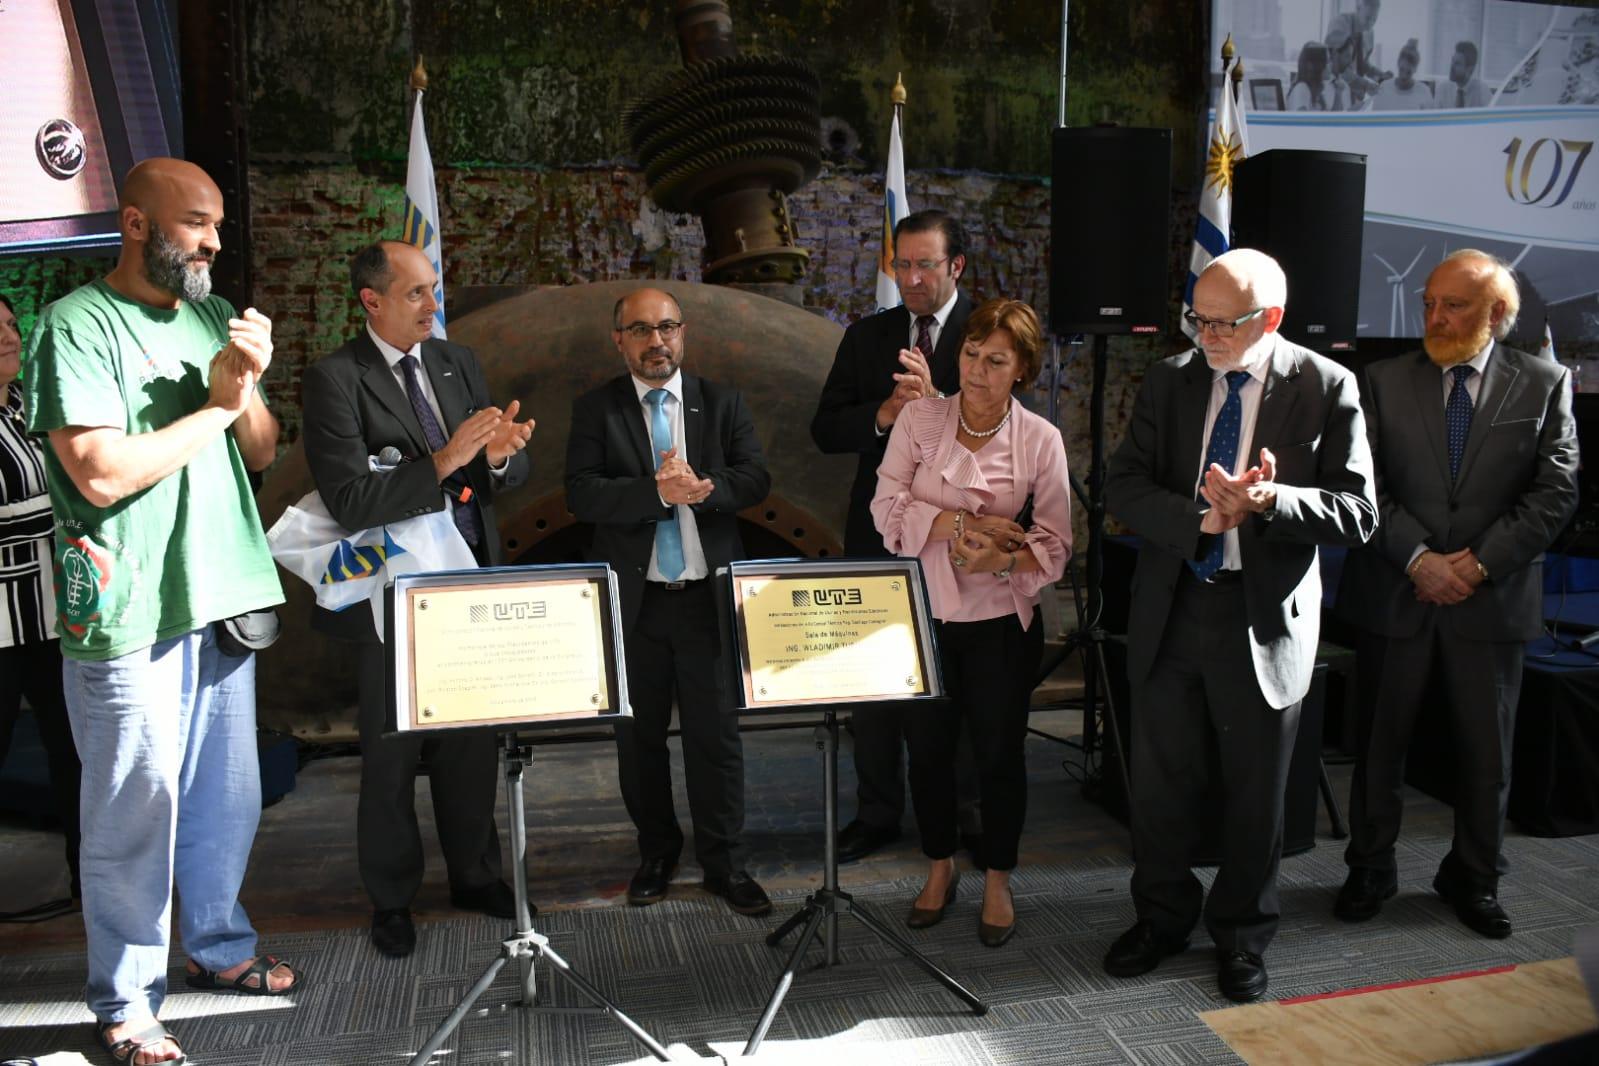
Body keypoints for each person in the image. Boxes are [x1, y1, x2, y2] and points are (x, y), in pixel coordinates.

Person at [24, 157, 295, 1066]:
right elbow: (98, 472)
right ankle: (129, 1004)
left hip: (223, 593)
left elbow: (259, 450)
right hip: (133, 608)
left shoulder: (214, 316)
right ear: (138, 224)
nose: (215, 241)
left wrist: (245, 382)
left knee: (226, 801)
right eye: (195, 223)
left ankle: (217, 950)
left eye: (216, 223)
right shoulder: (75, 326)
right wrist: (217, 406)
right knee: (134, 810)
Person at [1102, 248, 1378, 1003]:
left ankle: (1242, 936)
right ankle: (1160, 918)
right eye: (1198, 318)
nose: (1209, 336)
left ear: (1272, 320)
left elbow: (1357, 514)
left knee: (1255, 796)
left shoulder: (1326, 385)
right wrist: (1200, 516)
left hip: (1262, 621)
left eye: (1225, 324)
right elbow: (1122, 481)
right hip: (1173, 605)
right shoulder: (1170, 376)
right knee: (1159, 786)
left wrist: (1267, 503)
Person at [1333, 250, 1577, 939]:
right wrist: (1417, 558)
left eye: (1454, 305)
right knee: (1380, 746)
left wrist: (1476, 565)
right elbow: (1362, 484)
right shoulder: (1378, 382)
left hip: (1490, 602)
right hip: (1396, 593)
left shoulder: (1543, 382)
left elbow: (1555, 490)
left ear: (1496, 313)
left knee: (1485, 754)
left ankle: (1473, 876)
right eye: (1428, 303)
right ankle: (1370, 867)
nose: (1434, 317)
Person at [300, 240, 533, 959]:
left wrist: (500, 456)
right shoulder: (334, 379)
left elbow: (494, 474)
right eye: (416, 293)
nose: (435, 305)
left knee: (471, 742)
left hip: (467, 580)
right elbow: (347, 496)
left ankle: (475, 875)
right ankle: (392, 898)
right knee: (393, 753)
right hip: (389, 592)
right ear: (371, 300)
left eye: (434, 289)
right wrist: (446, 460)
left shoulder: (455, 362)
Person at [565, 287, 773, 917]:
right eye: (641, 331)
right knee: (640, 741)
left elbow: (756, 478)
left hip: (706, 602)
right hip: (638, 604)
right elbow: (583, 495)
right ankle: (656, 853)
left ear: (683, 334)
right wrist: (657, 494)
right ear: (619, 340)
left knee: (717, 739)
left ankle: (725, 863)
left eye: (667, 328)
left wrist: (704, 489)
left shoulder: (721, 401)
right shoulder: (596, 409)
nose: (657, 341)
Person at [870, 298, 1071, 946]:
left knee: (997, 756)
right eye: (969, 355)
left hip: (998, 622)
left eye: (994, 360)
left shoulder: (1039, 439)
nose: (977, 371)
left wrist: (1003, 553)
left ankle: (996, 880)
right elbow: (884, 506)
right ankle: (937, 868)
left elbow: (1057, 540)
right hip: (921, 615)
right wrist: (958, 524)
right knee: (925, 753)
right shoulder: (921, 420)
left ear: (1021, 369)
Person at [811, 208, 981, 865]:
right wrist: (883, 414)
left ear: (955, 266)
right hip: (877, 537)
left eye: (924, 265)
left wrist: (937, 405)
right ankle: (876, 813)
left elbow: (1021, 429)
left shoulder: (989, 332)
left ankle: (963, 814)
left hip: (961, 536)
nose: (910, 277)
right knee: (877, 687)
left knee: (956, 684)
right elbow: (825, 429)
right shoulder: (868, 336)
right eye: (900, 265)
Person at [0, 293, 81, 903]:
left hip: (57, 614)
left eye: (9, 323)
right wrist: (60, 509)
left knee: (76, 755)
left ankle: (92, 882)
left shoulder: (29, 404)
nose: (7, 336)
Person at [1372, 39, 1433, 111]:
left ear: (1416, 68)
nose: (1406, 67)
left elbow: (1430, 121)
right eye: (1402, 68)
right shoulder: (1384, 88)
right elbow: (1375, 118)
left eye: (1411, 63)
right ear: (1398, 63)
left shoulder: (1424, 92)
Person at [1286, 41, 1341, 112]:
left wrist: (1338, 93)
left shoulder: (1316, 92)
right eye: (1327, 61)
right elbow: (1303, 122)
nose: (1331, 65)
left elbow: (1333, 119)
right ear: (1318, 65)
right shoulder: (1302, 89)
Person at [1435, 41, 1492, 108]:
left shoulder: (1482, 91)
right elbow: (1435, 117)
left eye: (1457, 63)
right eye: (1452, 61)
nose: (1451, 67)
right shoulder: (1442, 89)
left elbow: (1490, 117)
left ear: (1470, 69)